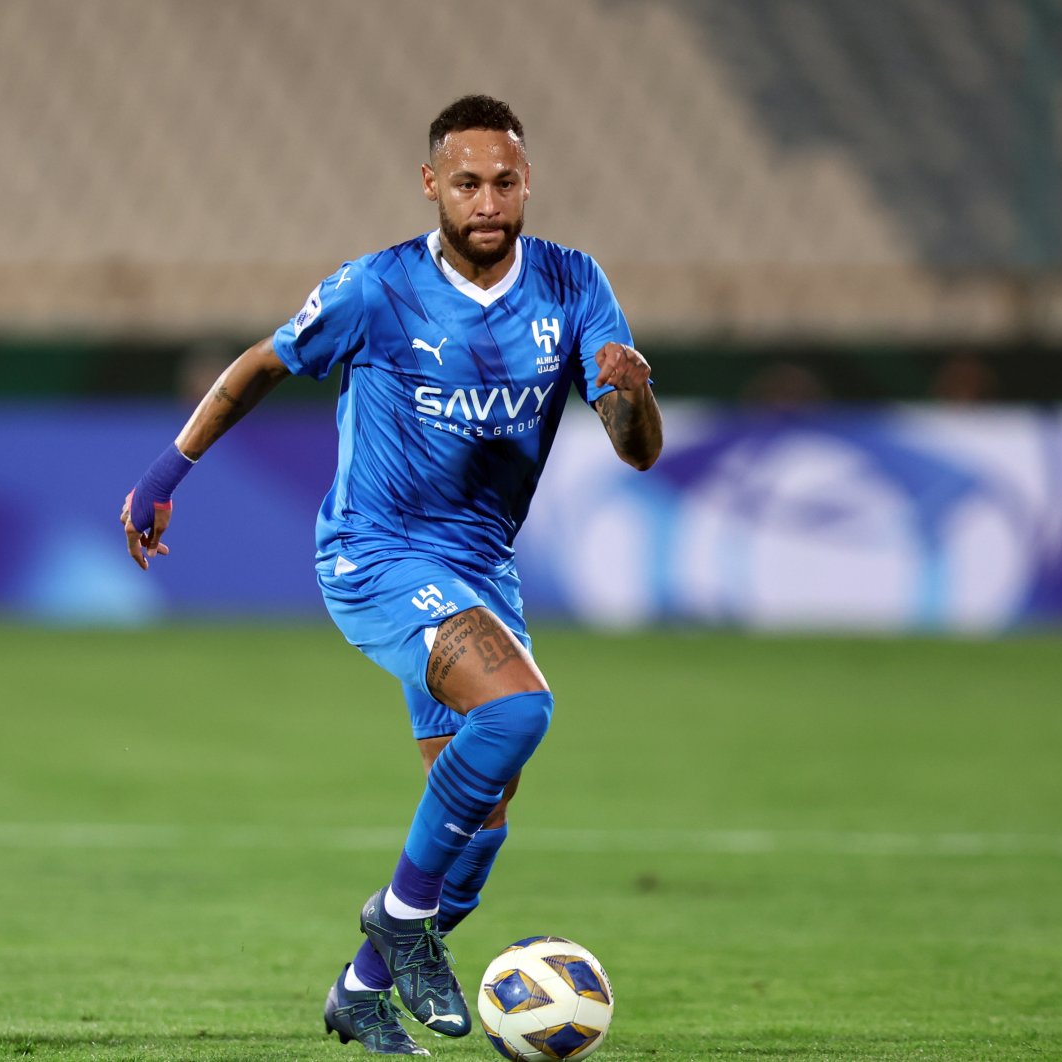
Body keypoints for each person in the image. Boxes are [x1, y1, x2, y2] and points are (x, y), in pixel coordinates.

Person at [120, 94, 663, 1056]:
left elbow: (636, 450)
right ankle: (399, 922)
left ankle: (362, 990)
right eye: (467, 182)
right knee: (517, 712)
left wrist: (631, 390)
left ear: (528, 181)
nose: (488, 200)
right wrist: (168, 474)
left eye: (505, 180)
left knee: (476, 837)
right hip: (375, 553)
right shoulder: (377, 288)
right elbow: (260, 365)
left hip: (480, 571)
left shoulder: (576, 285)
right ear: (431, 186)